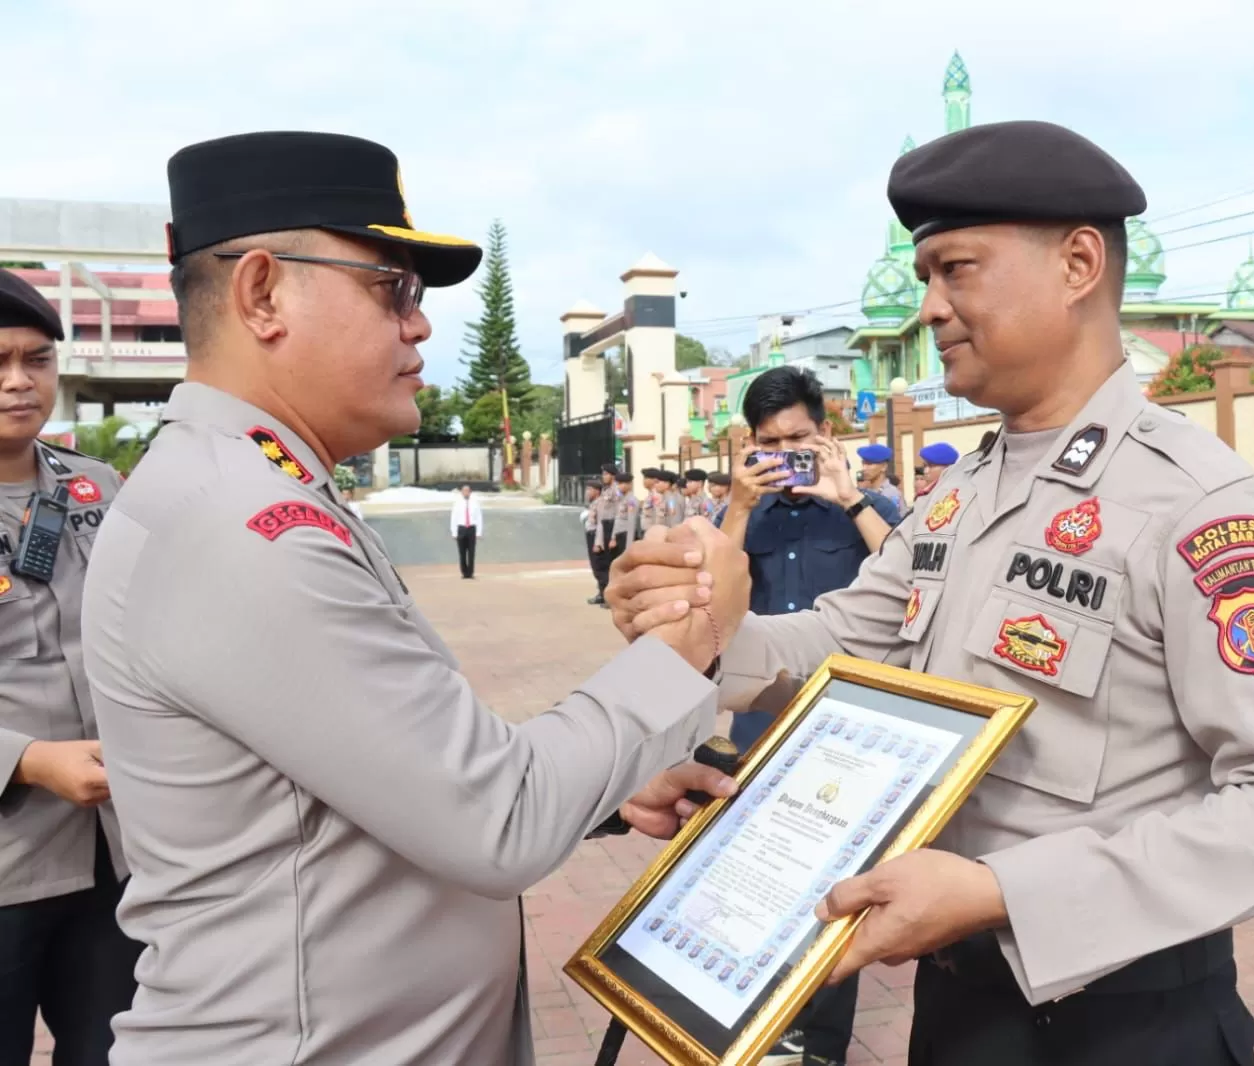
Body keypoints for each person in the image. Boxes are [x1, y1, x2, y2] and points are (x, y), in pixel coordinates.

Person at [611, 119, 1254, 1066]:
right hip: (959, 1001)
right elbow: (843, 644)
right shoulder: (960, 491)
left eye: (955, 270)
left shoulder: (1199, 506)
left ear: (1077, 264)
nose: (930, 308)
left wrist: (1005, 894)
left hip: (1123, 1021)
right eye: (924, 277)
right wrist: (704, 625)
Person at [78, 130, 743, 1066]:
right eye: (391, 288)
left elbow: (398, 771)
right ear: (262, 294)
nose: (419, 326)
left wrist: (600, 783)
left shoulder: (250, 488)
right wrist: (688, 637)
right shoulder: (240, 522)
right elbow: (499, 819)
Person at [714, 365, 898, 1066]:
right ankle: (762, 1020)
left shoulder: (868, 506)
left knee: (838, 885)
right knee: (762, 874)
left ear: (824, 433)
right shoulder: (741, 514)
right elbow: (712, 599)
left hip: (846, 724)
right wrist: (737, 507)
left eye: (798, 438)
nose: (785, 454)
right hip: (761, 722)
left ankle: (819, 1043)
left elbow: (917, 580)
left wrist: (848, 498)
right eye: (769, 442)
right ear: (750, 444)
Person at [0, 268, 143, 1065]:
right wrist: (27, 759)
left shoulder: (100, 489)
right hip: (8, 860)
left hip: (110, 851)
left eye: (37, 359)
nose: (19, 381)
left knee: (111, 1050)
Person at [856, 443, 905, 518]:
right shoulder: (865, 492)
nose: (864, 468)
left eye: (869, 464)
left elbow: (897, 521)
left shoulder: (891, 494)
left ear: (884, 467)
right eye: (863, 463)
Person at [450, 482, 483, 579]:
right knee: (462, 552)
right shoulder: (457, 503)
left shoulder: (475, 503)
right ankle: (464, 572)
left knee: (471, 552)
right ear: (461, 492)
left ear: (470, 492)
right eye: (464, 491)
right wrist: (454, 532)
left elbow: (479, 517)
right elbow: (454, 518)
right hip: (461, 528)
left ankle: (470, 572)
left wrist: (479, 532)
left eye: (467, 491)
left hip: (471, 528)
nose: (466, 492)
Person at [581, 479, 606, 604]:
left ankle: (605, 595)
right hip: (591, 535)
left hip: (596, 536)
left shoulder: (600, 503)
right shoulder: (594, 503)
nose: (587, 492)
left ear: (597, 491)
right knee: (595, 567)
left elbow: (601, 523)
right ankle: (601, 593)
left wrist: (598, 542)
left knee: (599, 567)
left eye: (589, 489)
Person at [612, 471, 640, 564]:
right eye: (619, 483)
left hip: (626, 535)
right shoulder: (621, 499)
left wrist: (629, 546)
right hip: (619, 535)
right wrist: (613, 537)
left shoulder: (631, 500)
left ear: (630, 484)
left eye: (624, 483)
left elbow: (631, 523)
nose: (621, 486)